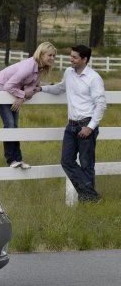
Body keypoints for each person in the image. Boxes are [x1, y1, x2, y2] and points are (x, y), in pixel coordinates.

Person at [40, 44, 106, 202]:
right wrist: (41, 89)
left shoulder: (94, 78)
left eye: (75, 57)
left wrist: (90, 128)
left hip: (86, 124)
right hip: (71, 125)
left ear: (85, 59)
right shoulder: (69, 72)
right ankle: (92, 196)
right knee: (66, 161)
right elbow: (61, 88)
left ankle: (88, 200)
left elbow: (101, 104)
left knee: (86, 164)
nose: (71, 60)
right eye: (71, 56)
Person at [0, 41, 57, 168]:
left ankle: (18, 159)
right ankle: (11, 160)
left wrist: (22, 97)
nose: (52, 58)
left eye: (54, 56)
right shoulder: (28, 67)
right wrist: (22, 95)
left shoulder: (41, 69)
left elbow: (31, 87)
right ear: (41, 54)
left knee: (15, 125)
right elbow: (9, 85)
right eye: (50, 55)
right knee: (9, 123)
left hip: (14, 90)